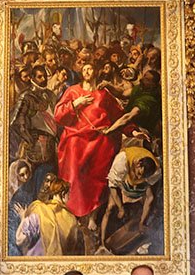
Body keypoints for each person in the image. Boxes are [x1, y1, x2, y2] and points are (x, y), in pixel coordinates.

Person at [54, 61, 149, 219]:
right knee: (73, 155)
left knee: (103, 157)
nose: (87, 71)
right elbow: (58, 115)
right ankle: (74, 209)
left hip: (100, 138)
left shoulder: (103, 94)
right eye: (84, 69)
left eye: (90, 68)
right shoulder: (73, 91)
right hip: (76, 136)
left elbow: (118, 116)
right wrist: (75, 104)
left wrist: (133, 131)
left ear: (95, 71)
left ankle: (94, 213)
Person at [14, 174, 83, 256]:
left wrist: (23, 218)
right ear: (63, 193)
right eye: (69, 193)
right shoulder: (71, 219)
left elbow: (19, 240)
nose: (69, 197)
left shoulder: (39, 210)